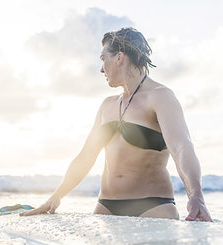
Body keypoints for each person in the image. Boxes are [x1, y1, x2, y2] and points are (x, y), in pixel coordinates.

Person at [20, 27, 212, 221]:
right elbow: (86, 156)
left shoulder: (160, 97)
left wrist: (196, 196)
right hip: (106, 207)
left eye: (104, 59)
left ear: (119, 57)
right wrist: (56, 196)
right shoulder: (107, 105)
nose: (101, 68)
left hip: (153, 206)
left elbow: (181, 147)